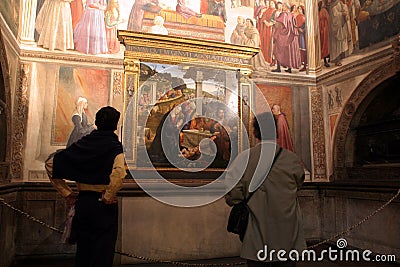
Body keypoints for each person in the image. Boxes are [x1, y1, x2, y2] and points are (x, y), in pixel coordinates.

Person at [45, 106, 125, 267]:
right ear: (115, 125)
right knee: (102, 251)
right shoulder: (114, 146)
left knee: (84, 250)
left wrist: (67, 192)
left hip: (83, 202)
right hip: (103, 205)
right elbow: (119, 173)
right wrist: (109, 196)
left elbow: (50, 164)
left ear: (96, 122)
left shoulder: (82, 144)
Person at [225, 112, 306, 267]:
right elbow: (298, 185)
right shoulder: (292, 159)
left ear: (255, 132)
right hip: (287, 234)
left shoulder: (245, 159)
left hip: (257, 234)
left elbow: (233, 195)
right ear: (276, 131)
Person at [271, 2, 301, 73]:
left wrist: (274, 24)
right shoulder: (292, 15)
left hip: (283, 36)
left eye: (284, 6)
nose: (282, 7)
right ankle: (289, 68)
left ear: (286, 7)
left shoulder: (283, 14)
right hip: (290, 37)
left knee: (277, 50)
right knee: (289, 52)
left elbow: (279, 25)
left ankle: (278, 68)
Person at [318, 0, 331, 67]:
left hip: (323, 30)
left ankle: (326, 59)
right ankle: (325, 60)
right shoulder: (323, 11)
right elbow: (327, 20)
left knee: (325, 45)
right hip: (323, 31)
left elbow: (328, 20)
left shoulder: (322, 11)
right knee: (324, 45)